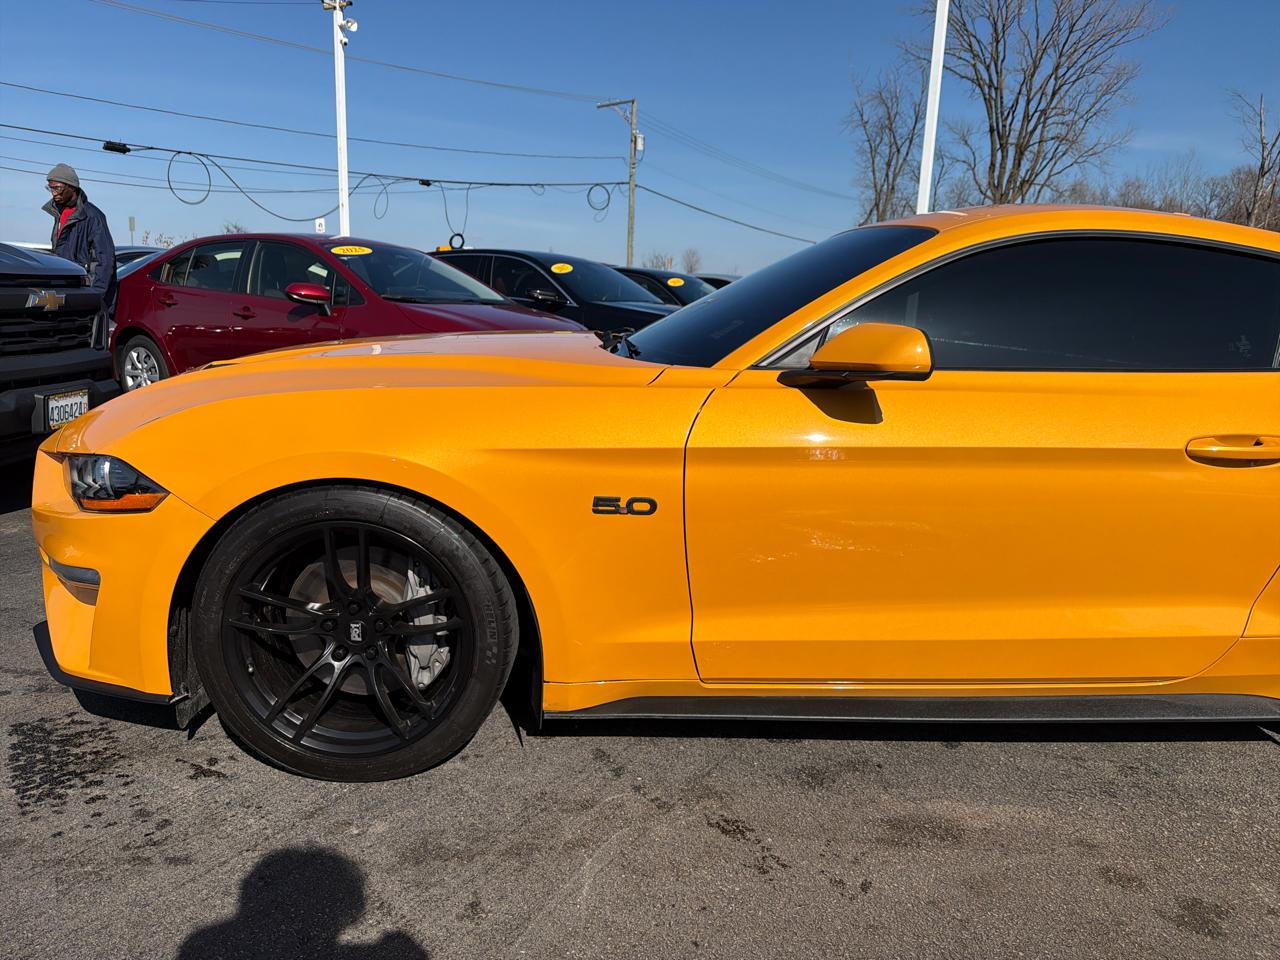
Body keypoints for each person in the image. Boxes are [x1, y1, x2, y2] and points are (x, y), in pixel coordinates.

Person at [41, 163, 117, 345]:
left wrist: (96, 298)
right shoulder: (59, 215)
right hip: (66, 294)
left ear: (72, 187)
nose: (54, 193)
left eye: (57, 188)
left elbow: (105, 260)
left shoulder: (93, 216)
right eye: (50, 188)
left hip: (87, 296)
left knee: (89, 346)